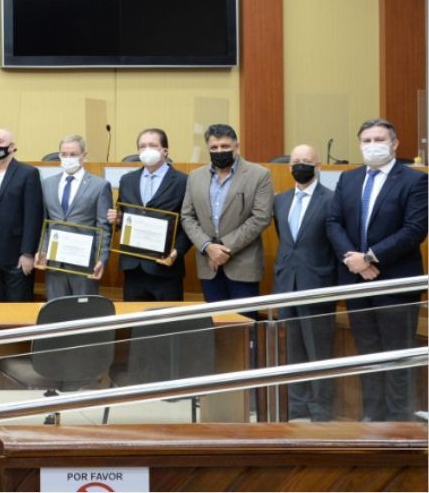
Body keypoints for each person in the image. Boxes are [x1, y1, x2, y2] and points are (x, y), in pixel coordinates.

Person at [326, 118, 427, 422]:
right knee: (368, 352)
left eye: (379, 139)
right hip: (356, 280)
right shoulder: (349, 179)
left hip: (395, 283)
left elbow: (415, 229)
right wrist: (353, 260)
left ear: (395, 144)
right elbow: (334, 223)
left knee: (396, 353)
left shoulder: (414, 180)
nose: (372, 146)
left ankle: (398, 420)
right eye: (366, 140)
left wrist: (370, 258)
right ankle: (373, 416)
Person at [272, 144, 337, 422]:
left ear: (318, 166)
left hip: (318, 283)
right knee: (293, 348)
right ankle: (296, 405)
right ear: (289, 167)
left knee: (318, 349)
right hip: (287, 282)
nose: (301, 165)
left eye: (307, 161)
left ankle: (320, 408)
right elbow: (286, 240)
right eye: (296, 161)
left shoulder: (332, 199)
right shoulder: (281, 200)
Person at [180, 123, 274, 304]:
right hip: (208, 264)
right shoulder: (195, 176)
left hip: (243, 264)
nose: (219, 151)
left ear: (236, 147)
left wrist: (223, 247)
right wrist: (208, 246)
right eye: (214, 148)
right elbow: (187, 216)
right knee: (216, 325)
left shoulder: (259, 175)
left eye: (225, 147)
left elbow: (261, 217)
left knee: (244, 326)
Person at [108, 128, 191, 301]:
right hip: (133, 267)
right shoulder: (127, 180)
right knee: (134, 324)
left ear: (165, 151)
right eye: (142, 146)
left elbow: (189, 222)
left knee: (167, 325)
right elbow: (124, 216)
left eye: (152, 145)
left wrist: (177, 252)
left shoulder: (184, 181)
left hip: (165, 266)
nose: (147, 150)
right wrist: (118, 219)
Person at [35, 135, 113, 299]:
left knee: (84, 314)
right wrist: (42, 250)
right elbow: (44, 223)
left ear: (84, 156)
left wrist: (102, 258)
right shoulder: (47, 184)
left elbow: (103, 227)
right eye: (64, 154)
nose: (68, 158)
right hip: (55, 263)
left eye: (73, 154)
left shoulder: (99, 186)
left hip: (84, 264)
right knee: (56, 312)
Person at [0, 128, 42, 302]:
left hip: (16, 252)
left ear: (12, 146)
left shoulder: (28, 173)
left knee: (17, 306)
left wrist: (27, 253)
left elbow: (33, 216)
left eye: (0, 142)